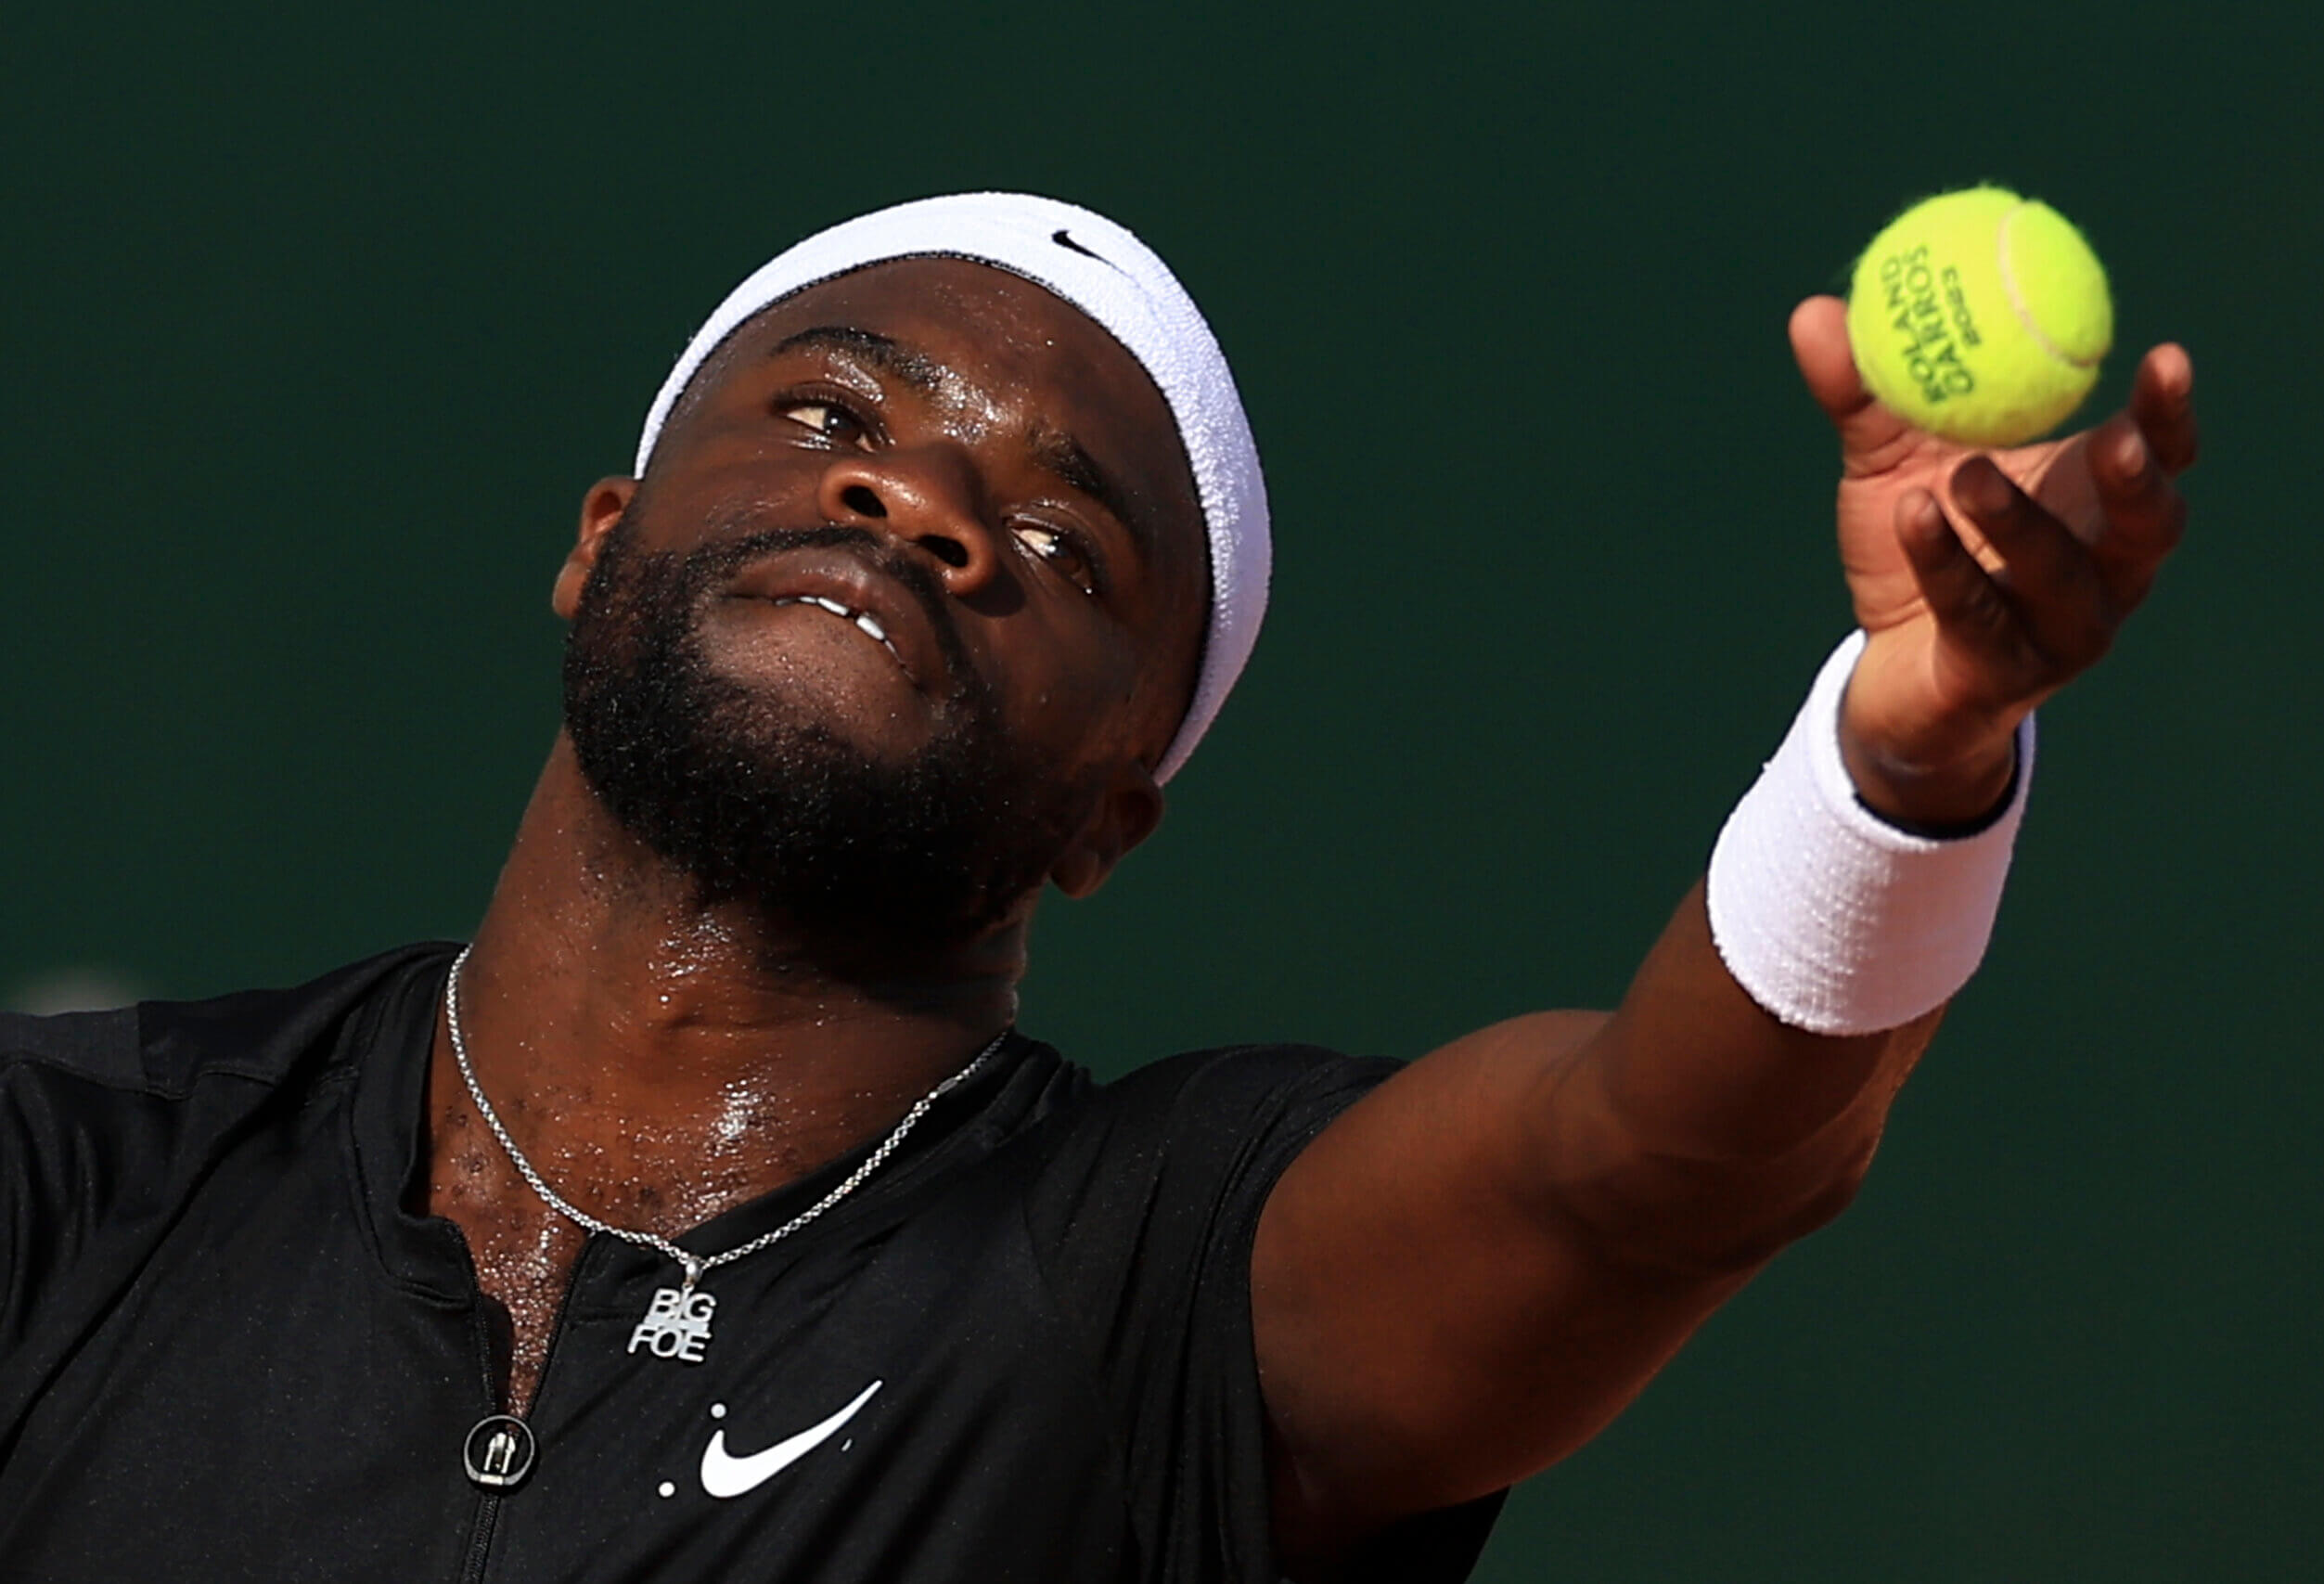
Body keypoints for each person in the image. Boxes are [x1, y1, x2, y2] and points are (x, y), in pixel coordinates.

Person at [0, 193, 2195, 1583]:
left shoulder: (1148, 1290)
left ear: (1108, 813)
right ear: (602, 535)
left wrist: (1900, 767)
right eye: (832, 404)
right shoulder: (83, 1169)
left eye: (1064, 550)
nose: (921, 500)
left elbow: (1645, 1164)